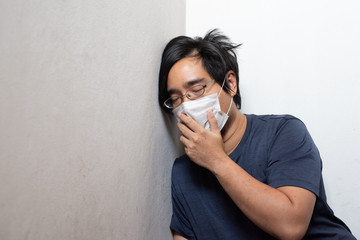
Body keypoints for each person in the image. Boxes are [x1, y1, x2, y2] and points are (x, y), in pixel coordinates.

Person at [158, 29, 356, 240]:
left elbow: (291, 226)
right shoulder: (182, 172)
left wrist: (216, 160)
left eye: (196, 90)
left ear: (231, 84)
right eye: (176, 99)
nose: (186, 106)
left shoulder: (283, 132)